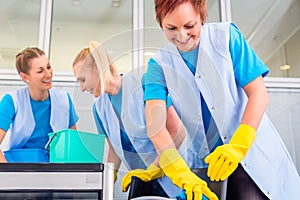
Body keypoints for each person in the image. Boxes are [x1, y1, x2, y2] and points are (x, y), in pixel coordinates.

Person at [136, 0, 300, 200]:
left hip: (251, 154)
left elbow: (258, 94)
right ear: (161, 24)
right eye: (171, 28)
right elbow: (156, 125)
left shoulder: (226, 37)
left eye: (189, 26)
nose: (181, 35)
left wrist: (238, 145)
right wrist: (177, 170)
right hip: (208, 163)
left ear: (202, 18)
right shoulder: (159, 65)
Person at [72, 41, 189, 198]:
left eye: (83, 79)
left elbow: (177, 131)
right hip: (141, 180)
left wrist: (154, 168)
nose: (82, 88)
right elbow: (114, 149)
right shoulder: (99, 108)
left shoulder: (143, 85)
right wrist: (108, 176)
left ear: (96, 67)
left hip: (172, 177)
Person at [0, 47, 79, 163]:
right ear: (25, 77)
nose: (48, 74)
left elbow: (73, 144)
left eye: (48, 67)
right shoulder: (12, 101)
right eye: (40, 71)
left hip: (55, 169)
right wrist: (10, 173)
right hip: (20, 168)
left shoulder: (64, 100)